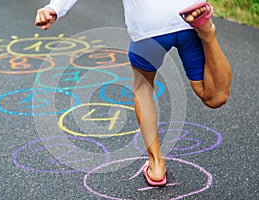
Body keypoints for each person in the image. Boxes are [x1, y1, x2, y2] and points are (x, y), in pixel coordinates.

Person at [35, 0, 232, 186]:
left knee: (143, 87)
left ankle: (156, 166)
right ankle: (208, 32)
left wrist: (55, 7)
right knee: (215, 97)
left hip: (149, 25)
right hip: (190, 14)